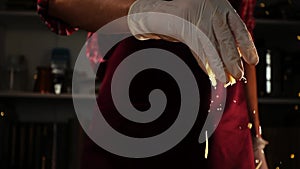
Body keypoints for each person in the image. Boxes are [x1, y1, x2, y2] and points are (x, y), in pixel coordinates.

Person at [37, 0, 269, 168]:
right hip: (134, 106)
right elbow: (59, 3)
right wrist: (150, 14)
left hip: (223, 122)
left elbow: (243, 43)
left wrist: (256, 137)